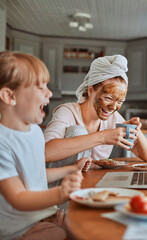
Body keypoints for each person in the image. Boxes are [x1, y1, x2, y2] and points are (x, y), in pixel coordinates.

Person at [0, 51, 90, 240]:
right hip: (22, 229)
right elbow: (18, 197)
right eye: (40, 87)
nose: (49, 93)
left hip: (47, 215)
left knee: (91, 228)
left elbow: (36, 175)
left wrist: (72, 169)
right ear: (9, 96)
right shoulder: (2, 142)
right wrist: (61, 193)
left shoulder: (35, 132)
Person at [44, 55, 147, 179]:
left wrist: (135, 130)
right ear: (91, 91)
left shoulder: (114, 118)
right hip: (60, 186)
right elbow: (45, 152)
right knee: (77, 131)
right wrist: (103, 137)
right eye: (108, 98)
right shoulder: (67, 112)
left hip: (90, 184)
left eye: (120, 101)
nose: (113, 107)